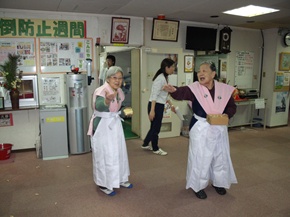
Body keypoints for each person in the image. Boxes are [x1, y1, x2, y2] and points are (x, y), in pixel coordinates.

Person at [163, 61, 237, 199]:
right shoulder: (194, 89)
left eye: (204, 71)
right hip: (201, 126)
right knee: (200, 157)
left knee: (220, 156)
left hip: (219, 127)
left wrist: (227, 114)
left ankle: (218, 182)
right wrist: (174, 91)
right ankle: (198, 185)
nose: (200, 73)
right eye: (199, 71)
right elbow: (181, 92)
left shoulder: (223, 89)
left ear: (213, 74)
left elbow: (231, 106)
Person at [87, 66, 132, 196]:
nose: (117, 81)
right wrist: (107, 100)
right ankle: (103, 184)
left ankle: (120, 178)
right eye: (114, 78)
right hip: (102, 126)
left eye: (120, 78)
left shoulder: (119, 91)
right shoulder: (101, 90)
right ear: (108, 78)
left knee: (118, 152)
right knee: (104, 155)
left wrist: (124, 112)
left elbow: (117, 108)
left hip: (115, 124)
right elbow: (99, 106)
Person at [141, 58, 176, 156]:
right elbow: (154, 95)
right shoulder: (160, 79)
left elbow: (164, 95)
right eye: (172, 66)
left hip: (159, 105)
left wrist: (171, 105)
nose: (174, 68)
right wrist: (152, 111)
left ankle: (145, 144)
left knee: (153, 127)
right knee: (156, 128)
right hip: (155, 106)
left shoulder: (165, 77)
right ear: (167, 67)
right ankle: (155, 148)